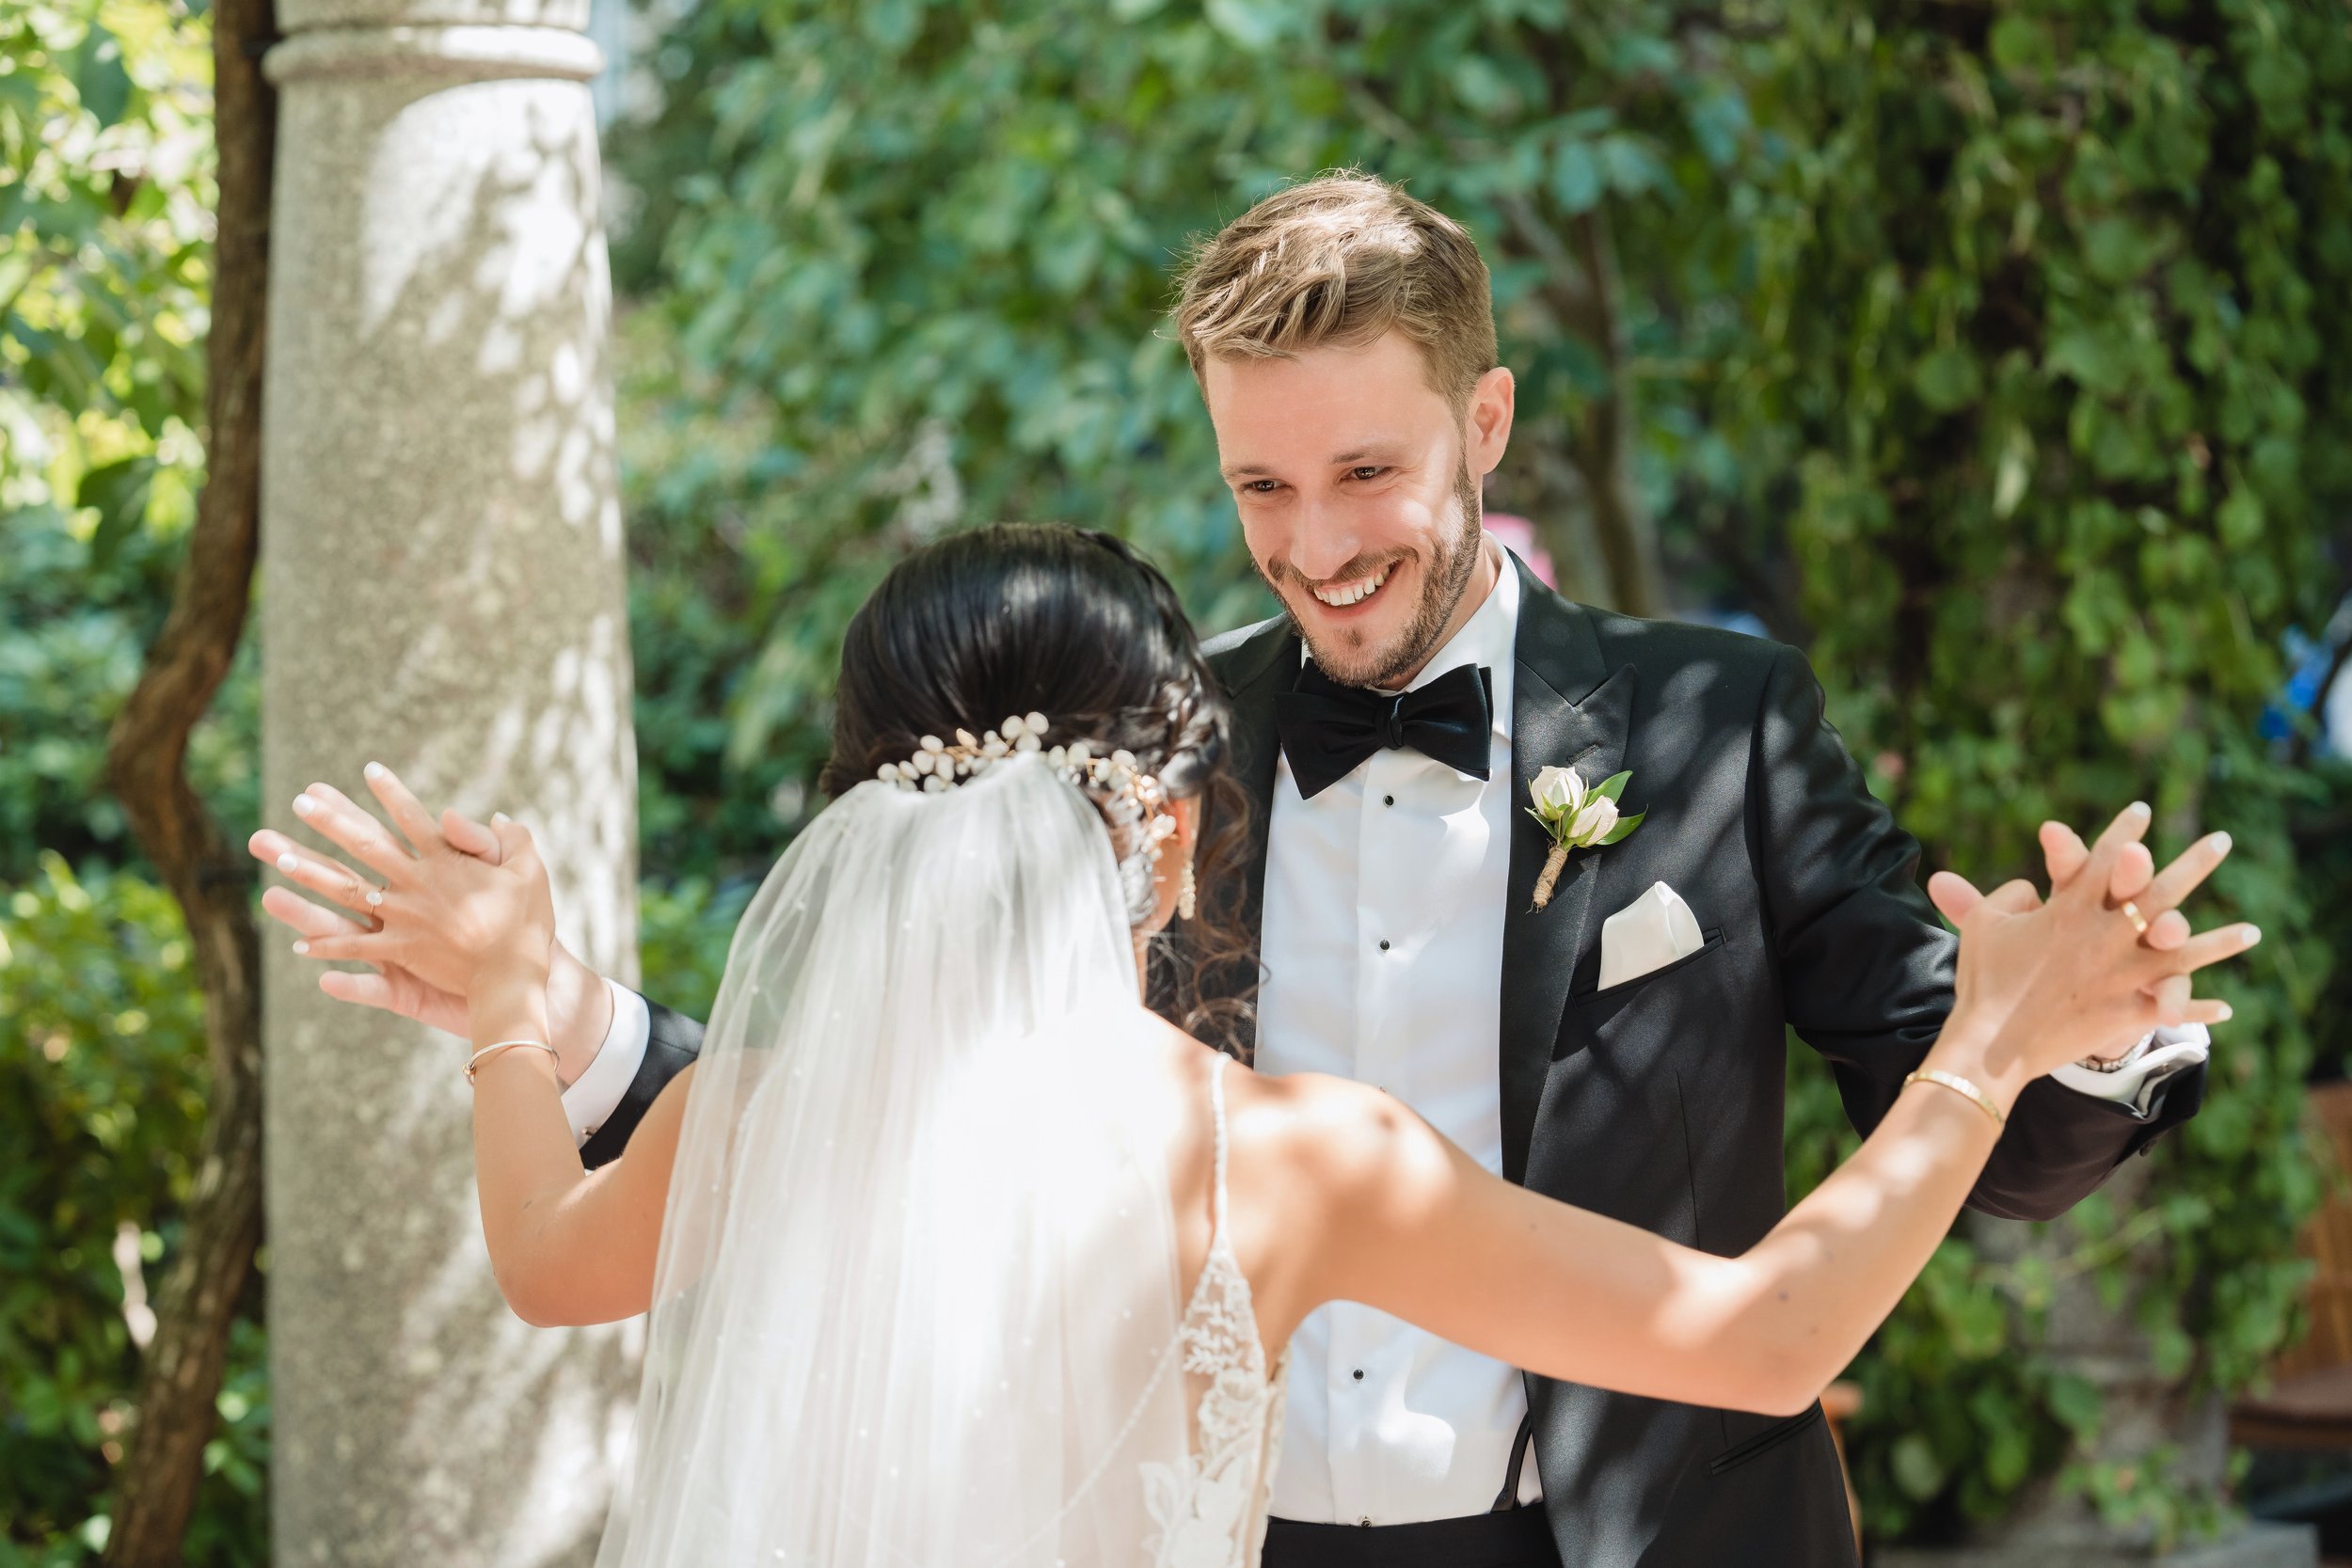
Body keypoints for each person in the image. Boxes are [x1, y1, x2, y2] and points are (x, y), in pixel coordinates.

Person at [255, 178, 2227, 1568]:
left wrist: (2054, 1040)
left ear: (1484, 420)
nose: (1314, 544)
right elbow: (945, 1095)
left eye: (1365, 473)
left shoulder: (1714, 724)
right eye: (1256, 488)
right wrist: (582, 1018)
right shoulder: (1155, 757)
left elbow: (1938, 1077)